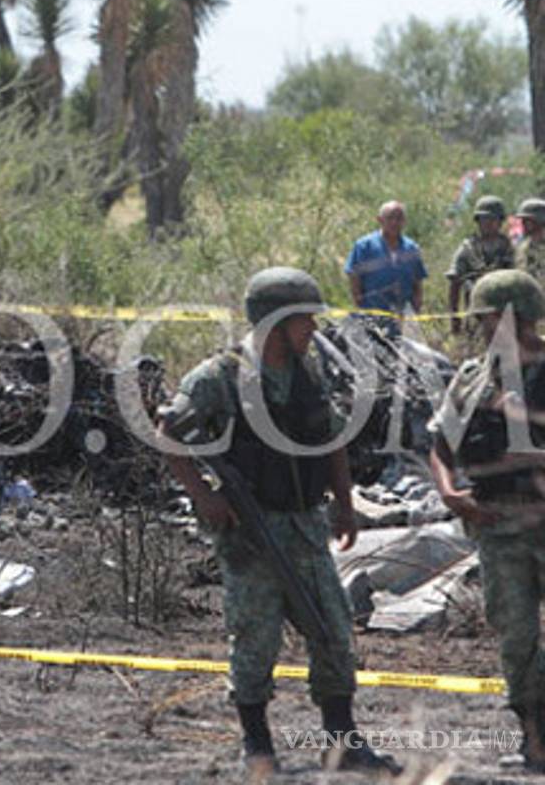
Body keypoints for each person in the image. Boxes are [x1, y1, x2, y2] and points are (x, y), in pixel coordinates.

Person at [158, 267, 400, 777]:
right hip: (251, 534)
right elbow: (169, 433)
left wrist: (345, 504)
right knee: (254, 639)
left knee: (333, 631)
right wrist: (205, 497)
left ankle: (342, 742)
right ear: (274, 321)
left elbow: (331, 440)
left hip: (305, 526)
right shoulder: (219, 377)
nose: (312, 329)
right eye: (303, 319)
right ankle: (258, 745)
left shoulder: (307, 373)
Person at [428, 269, 545, 773]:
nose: (484, 328)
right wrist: (449, 493)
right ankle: (534, 740)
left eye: (493, 318)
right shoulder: (474, 377)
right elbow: (440, 444)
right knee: (515, 637)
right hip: (498, 526)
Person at [344, 201, 428, 333]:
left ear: (404, 221)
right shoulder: (364, 246)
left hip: (402, 317)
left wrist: (416, 309)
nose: (394, 222)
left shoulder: (411, 249)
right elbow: (354, 277)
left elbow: (418, 281)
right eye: (390, 218)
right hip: (371, 315)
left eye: (399, 218)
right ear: (380, 220)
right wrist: (359, 304)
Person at [447, 195, 515, 334]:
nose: (488, 223)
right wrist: (454, 317)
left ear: (500, 221)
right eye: (484, 219)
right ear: (478, 221)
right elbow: (454, 284)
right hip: (475, 317)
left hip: (504, 317)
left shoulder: (509, 249)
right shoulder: (467, 249)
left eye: (492, 219)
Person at [515, 197, 545, 280]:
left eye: (527, 220)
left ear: (540, 220)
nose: (523, 223)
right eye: (523, 220)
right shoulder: (521, 248)